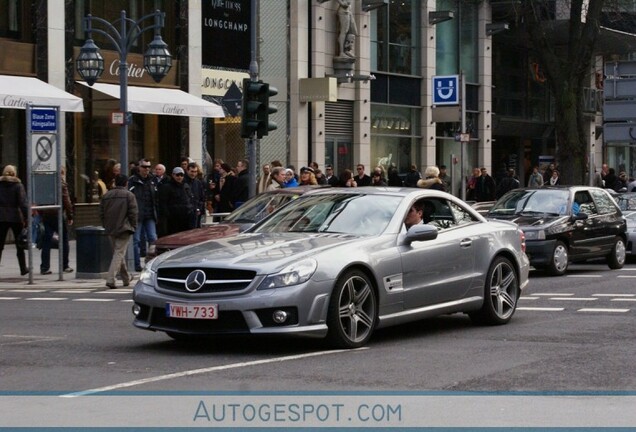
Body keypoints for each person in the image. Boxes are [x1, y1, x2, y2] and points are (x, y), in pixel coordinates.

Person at [100, 174, 138, 289]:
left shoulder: (106, 195)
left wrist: (105, 225)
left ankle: (126, 278)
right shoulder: (129, 195)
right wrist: (134, 226)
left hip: (110, 228)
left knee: (118, 253)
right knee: (119, 253)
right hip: (124, 228)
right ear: (126, 183)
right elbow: (133, 213)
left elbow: (101, 213)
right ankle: (111, 279)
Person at [40, 167, 73, 275]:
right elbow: (66, 201)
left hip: (46, 214)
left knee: (46, 241)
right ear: (62, 174)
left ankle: (44, 267)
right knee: (64, 240)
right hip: (58, 214)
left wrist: (41, 213)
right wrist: (70, 216)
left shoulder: (45, 184)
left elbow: (40, 199)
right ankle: (65, 265)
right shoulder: (62, 184)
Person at [127, 159, 158, 272]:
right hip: (138, 214)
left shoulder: (152, 180)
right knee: (136, 240)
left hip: (149, 214)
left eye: (149, 166)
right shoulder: (133, 180)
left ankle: (151, 263)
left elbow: (156, 197)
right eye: (144, 167)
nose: (147, 169)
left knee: (153, 239)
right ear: (139, 167)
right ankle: (136, 264)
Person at [0, 165, 29, 276]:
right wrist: (27, 217)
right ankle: (23, 268)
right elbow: (23, 203)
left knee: (0, 245)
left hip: (1, 217)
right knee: (19, 244)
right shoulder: (18, 185)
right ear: (14, 173)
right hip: (15, 217)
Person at [157, 167, 195, 235]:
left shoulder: (186, 186)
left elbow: (190, 199)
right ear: (173, 175)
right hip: (173, 218)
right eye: (177, 175)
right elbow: (163, 202)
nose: (179, 177)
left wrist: (191, 209)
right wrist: (167, 214)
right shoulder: (167, 187)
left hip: (186, 216)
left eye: (181, 175)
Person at [185, 162, 206, 228]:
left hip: (196, 212)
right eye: (192, 171)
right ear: (187, 170)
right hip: (186, 212)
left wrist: (199, 208)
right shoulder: (183, 182)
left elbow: (202, 197)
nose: (193, 174)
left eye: (195, 172)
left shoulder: (198, 183)